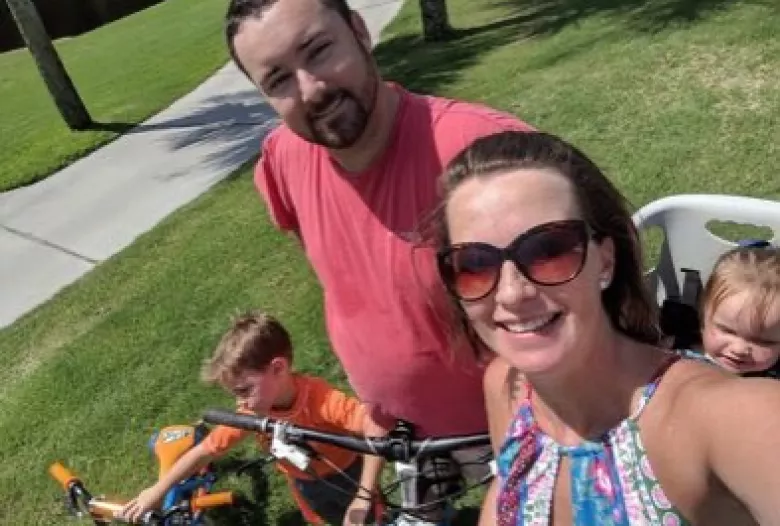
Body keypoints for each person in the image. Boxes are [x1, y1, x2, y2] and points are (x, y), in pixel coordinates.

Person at [224, 0, 534, 513]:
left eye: (319, 50)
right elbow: (335, 261)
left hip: (518, 427)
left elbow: (585, 296)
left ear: (360, 32)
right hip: (398, 434)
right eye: (278, 79)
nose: (312, 89)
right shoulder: (283, 159)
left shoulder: (485, 150)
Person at [431, 130, 780, 524]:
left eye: (549, 250)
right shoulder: (506, 388)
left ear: (606, 261)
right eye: (475, 264)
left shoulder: (723, 416)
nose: (511, 293)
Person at [118, 311, 384, 526]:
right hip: (304, 484)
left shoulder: (323, 402)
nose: (240, 403)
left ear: (278, 368)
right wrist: (158, 489)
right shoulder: (253, 412)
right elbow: (203, 451)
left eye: (244, 390)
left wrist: (363, 497)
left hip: (351, 477)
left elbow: (376, 428)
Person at [700, 245, 780, 378]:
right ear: (704, 316)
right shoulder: (678, 363)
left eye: (764, 342)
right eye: (727, 330)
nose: (739, 350)